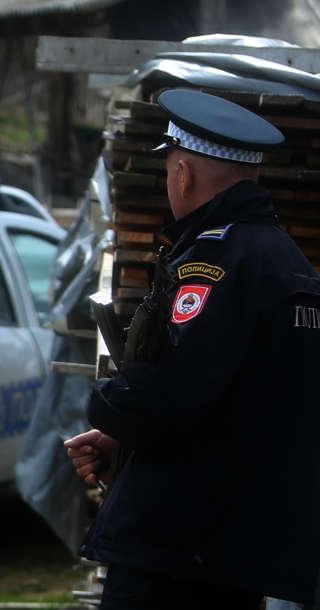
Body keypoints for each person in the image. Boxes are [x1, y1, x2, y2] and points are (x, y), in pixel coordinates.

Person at [64, 88, 320, 609]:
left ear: (182, 173)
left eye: (169, 172)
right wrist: (125, 443)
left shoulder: (214, 265)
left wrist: (109, 407)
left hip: (177, 548)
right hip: (235, 552)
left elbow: (174, 393)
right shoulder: (290, 263)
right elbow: (237, 398)